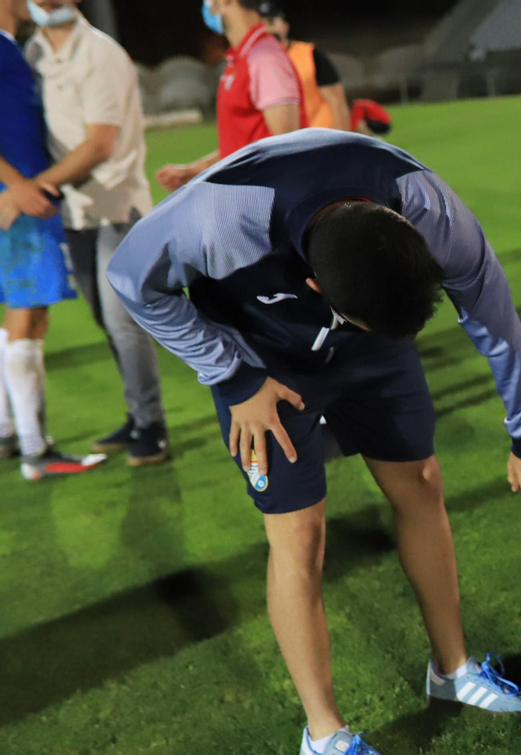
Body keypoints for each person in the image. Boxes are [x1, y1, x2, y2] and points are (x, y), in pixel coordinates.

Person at [106, 129, 521, 755]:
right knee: (299, 533)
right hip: (265, 364)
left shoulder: (430, 211)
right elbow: (130, 279)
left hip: (370, 345)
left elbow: (493, 314)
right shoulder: (219, 222)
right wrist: (232, 379)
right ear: (316, 284)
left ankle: (454, 668)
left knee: (422, 482)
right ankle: (324, 738)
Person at [26, 0, 168, 467]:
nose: (47, 5)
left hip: (115, 206)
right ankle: (136, 414)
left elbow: (100, 143)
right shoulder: (35, 52)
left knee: (124, 323)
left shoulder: (99, 52)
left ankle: (153, 426)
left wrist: (35, 187)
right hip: (74, 209)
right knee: (106, 322)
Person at [0, 0, 101, 479]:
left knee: (11, 317)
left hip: (14, 196)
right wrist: (16, 186)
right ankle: (37, 451)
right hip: (15, 201)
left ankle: (5, 431)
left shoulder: (12, 47)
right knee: (28, 317)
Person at [155, 0, 303, 192]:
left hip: (265, 200)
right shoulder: (243, 56)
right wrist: (195, 170)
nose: (207, 6)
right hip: (248, 196)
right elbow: (243, 142)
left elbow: (285, 144)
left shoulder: (265, 58)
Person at [259, 1, 349, 132]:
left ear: (285, 26)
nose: (268, 29)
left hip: (321, 136)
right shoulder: (257, 64)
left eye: (272, 22)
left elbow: (337, 101)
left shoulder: (309, 54)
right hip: (287, 141)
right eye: (261, 24)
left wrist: (342, 142)